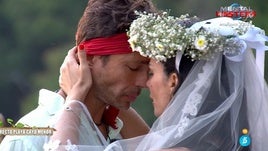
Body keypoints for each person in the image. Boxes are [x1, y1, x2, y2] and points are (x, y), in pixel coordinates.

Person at [0, 0, 158, 150]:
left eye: (149, 71)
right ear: (88, 58)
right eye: (133, 68)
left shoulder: (123, 131)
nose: (144, 82)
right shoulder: (29, 138)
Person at [103, 12, 268, 151]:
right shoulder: (233, 141)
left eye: (151, 73)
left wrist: (77, 98)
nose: (147, 83)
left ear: (173, 81)